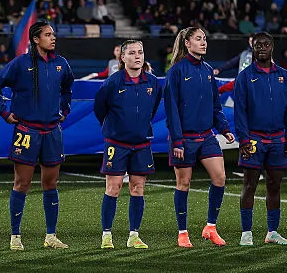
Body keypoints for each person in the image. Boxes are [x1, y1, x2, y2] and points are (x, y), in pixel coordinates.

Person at [0, 21, 75, 250]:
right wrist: (5, 113)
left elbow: (68, 88)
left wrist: (65, 109)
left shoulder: (61, 64)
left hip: (52, 131)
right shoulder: (20, 63)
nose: (53, 38)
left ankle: (51, 236)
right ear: (36, 39)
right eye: (48, 35)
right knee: (22, 183)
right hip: (26, 131)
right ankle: (15, 236)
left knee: (51, 183)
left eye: (53, 34)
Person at [163, 26, 236, 248]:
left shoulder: (207, 70)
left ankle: (210, 227)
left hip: (207, 136)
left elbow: (215, 105)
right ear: (187, 43)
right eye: (198, 39)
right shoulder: (175, 71)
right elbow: (171, 111)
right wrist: (176, 141)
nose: (203, 42)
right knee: (183, 183)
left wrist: (224, 129)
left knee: (220, 178)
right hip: (184, 139)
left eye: (205, 38)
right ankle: (182, 233)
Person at [93, 40, 161, 249]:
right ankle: (107, 235)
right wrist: (115, 128)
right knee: (113, 188)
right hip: (117, 143)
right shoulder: (113, 82)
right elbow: (99, 109)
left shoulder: (152, 82)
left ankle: (134, 235)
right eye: (132, 53)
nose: (137, 56)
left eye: (140, 52)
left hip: (141, 144)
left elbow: (154, 107)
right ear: (123, 58)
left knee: (137, 188)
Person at [233, 32, 287, 246]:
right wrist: (243, 140)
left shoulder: (284, 76)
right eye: (258, 44)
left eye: (266, 44)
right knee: (249, 184)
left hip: (278, 140)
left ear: (273, 47)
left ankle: (272, 232)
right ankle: (246, 233)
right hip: (253, 139)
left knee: (274, 185)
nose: (262, 47)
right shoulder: (244, 77)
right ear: (252, 47)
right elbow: (240, 112)